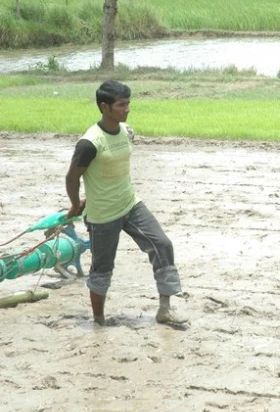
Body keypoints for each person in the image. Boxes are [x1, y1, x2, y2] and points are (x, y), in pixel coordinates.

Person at [65, 80, 188, 327]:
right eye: (121, 105)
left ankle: (164, 310)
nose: (127, 109)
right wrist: (75, 203)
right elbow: (72, 177)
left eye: (128, 103)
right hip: (103, 216)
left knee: (162, 245)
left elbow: (112, 170)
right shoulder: (89, 143)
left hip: (130, 204)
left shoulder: (126, 131)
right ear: (105, 107)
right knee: (102, 269)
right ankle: (98, 320)